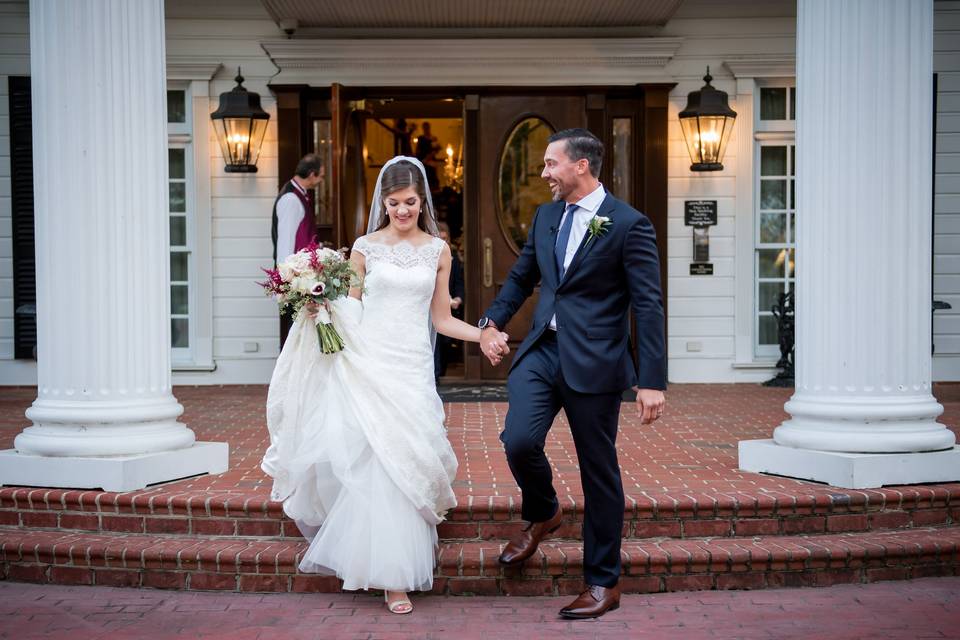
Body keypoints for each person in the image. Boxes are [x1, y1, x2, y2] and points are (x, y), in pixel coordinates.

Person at [262, 156, 504, 615]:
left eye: (410, 202)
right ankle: (392, 578)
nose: (402, 211)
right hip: (370, 362)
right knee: (377, 461)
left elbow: (441, 319)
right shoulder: (364, 247)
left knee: (407, 458)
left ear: (422, 200)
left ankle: (400, 562)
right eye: (394, 203)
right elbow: (351, 306)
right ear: (383, 203)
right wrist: (321, 309)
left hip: (412, 367)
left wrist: (483, 333)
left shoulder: (437, 250)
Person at [477, 129, 666, 619]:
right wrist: (492, 321)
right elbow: (522, 276)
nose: (543, 174)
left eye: (550, 164)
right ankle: (544, 512)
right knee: (518, 440)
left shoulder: (629, 225)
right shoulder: (545, 217)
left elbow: (647, 305)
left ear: (581, 165)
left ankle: (603, 582)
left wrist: (651, 379)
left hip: (597, 362)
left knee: (598, 471)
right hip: (543, 351)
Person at [271, 153, 324, 347]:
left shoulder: (299, 195)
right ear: (311, 174)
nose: (320, 181)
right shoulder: (291, 200)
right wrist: (286, 283)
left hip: (303, 278)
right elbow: (285, 243)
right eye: (321, 176)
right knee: (294, 334)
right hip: (295, 280)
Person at [434, 222, 465, 382]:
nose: (443, 242)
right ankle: (436, 375)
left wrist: (458, 298)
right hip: (433, 306)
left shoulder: (454, 259)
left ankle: (442, 371)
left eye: (445, 239)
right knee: (436, 340)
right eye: (440, 238)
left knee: (446, 342)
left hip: (450, 305)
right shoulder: (429, 258)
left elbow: (459, 282)